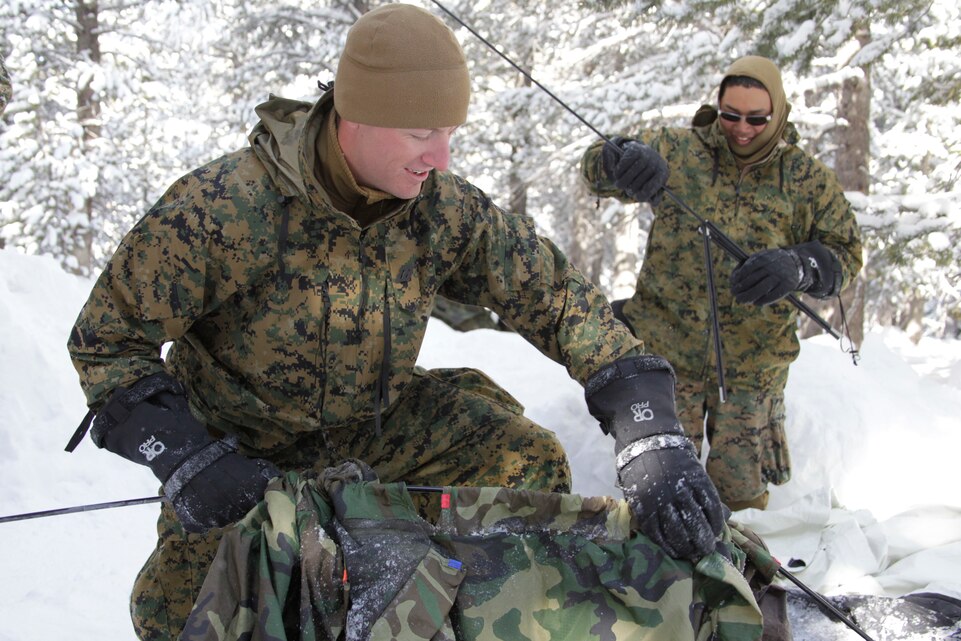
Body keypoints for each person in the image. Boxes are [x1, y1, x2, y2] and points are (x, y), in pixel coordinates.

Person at [66, 5, 724, 640]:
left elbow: (553, 296)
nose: (438, 157)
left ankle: (464, 615)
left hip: (376, 426)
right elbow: (107, 344)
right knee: (184, 617)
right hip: (241, 455)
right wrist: (188, 457)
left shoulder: (441, 209)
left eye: (448, 133)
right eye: (419, 133)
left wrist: (650, 428)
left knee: (523, 460)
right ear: (355, 116)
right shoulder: (225, 210)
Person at [581, 55, 863, 512]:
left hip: (754, 370)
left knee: (743, 502)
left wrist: (799, 266)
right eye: (731, 114)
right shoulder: (678, 149)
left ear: (779, 113)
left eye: (757, 118)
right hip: (668, 358)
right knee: (660, 493)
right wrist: (621, 159)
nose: (742, 128)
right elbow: (594, 168)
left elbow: (846, 253)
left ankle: (743, 580)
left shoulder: (807, 180)